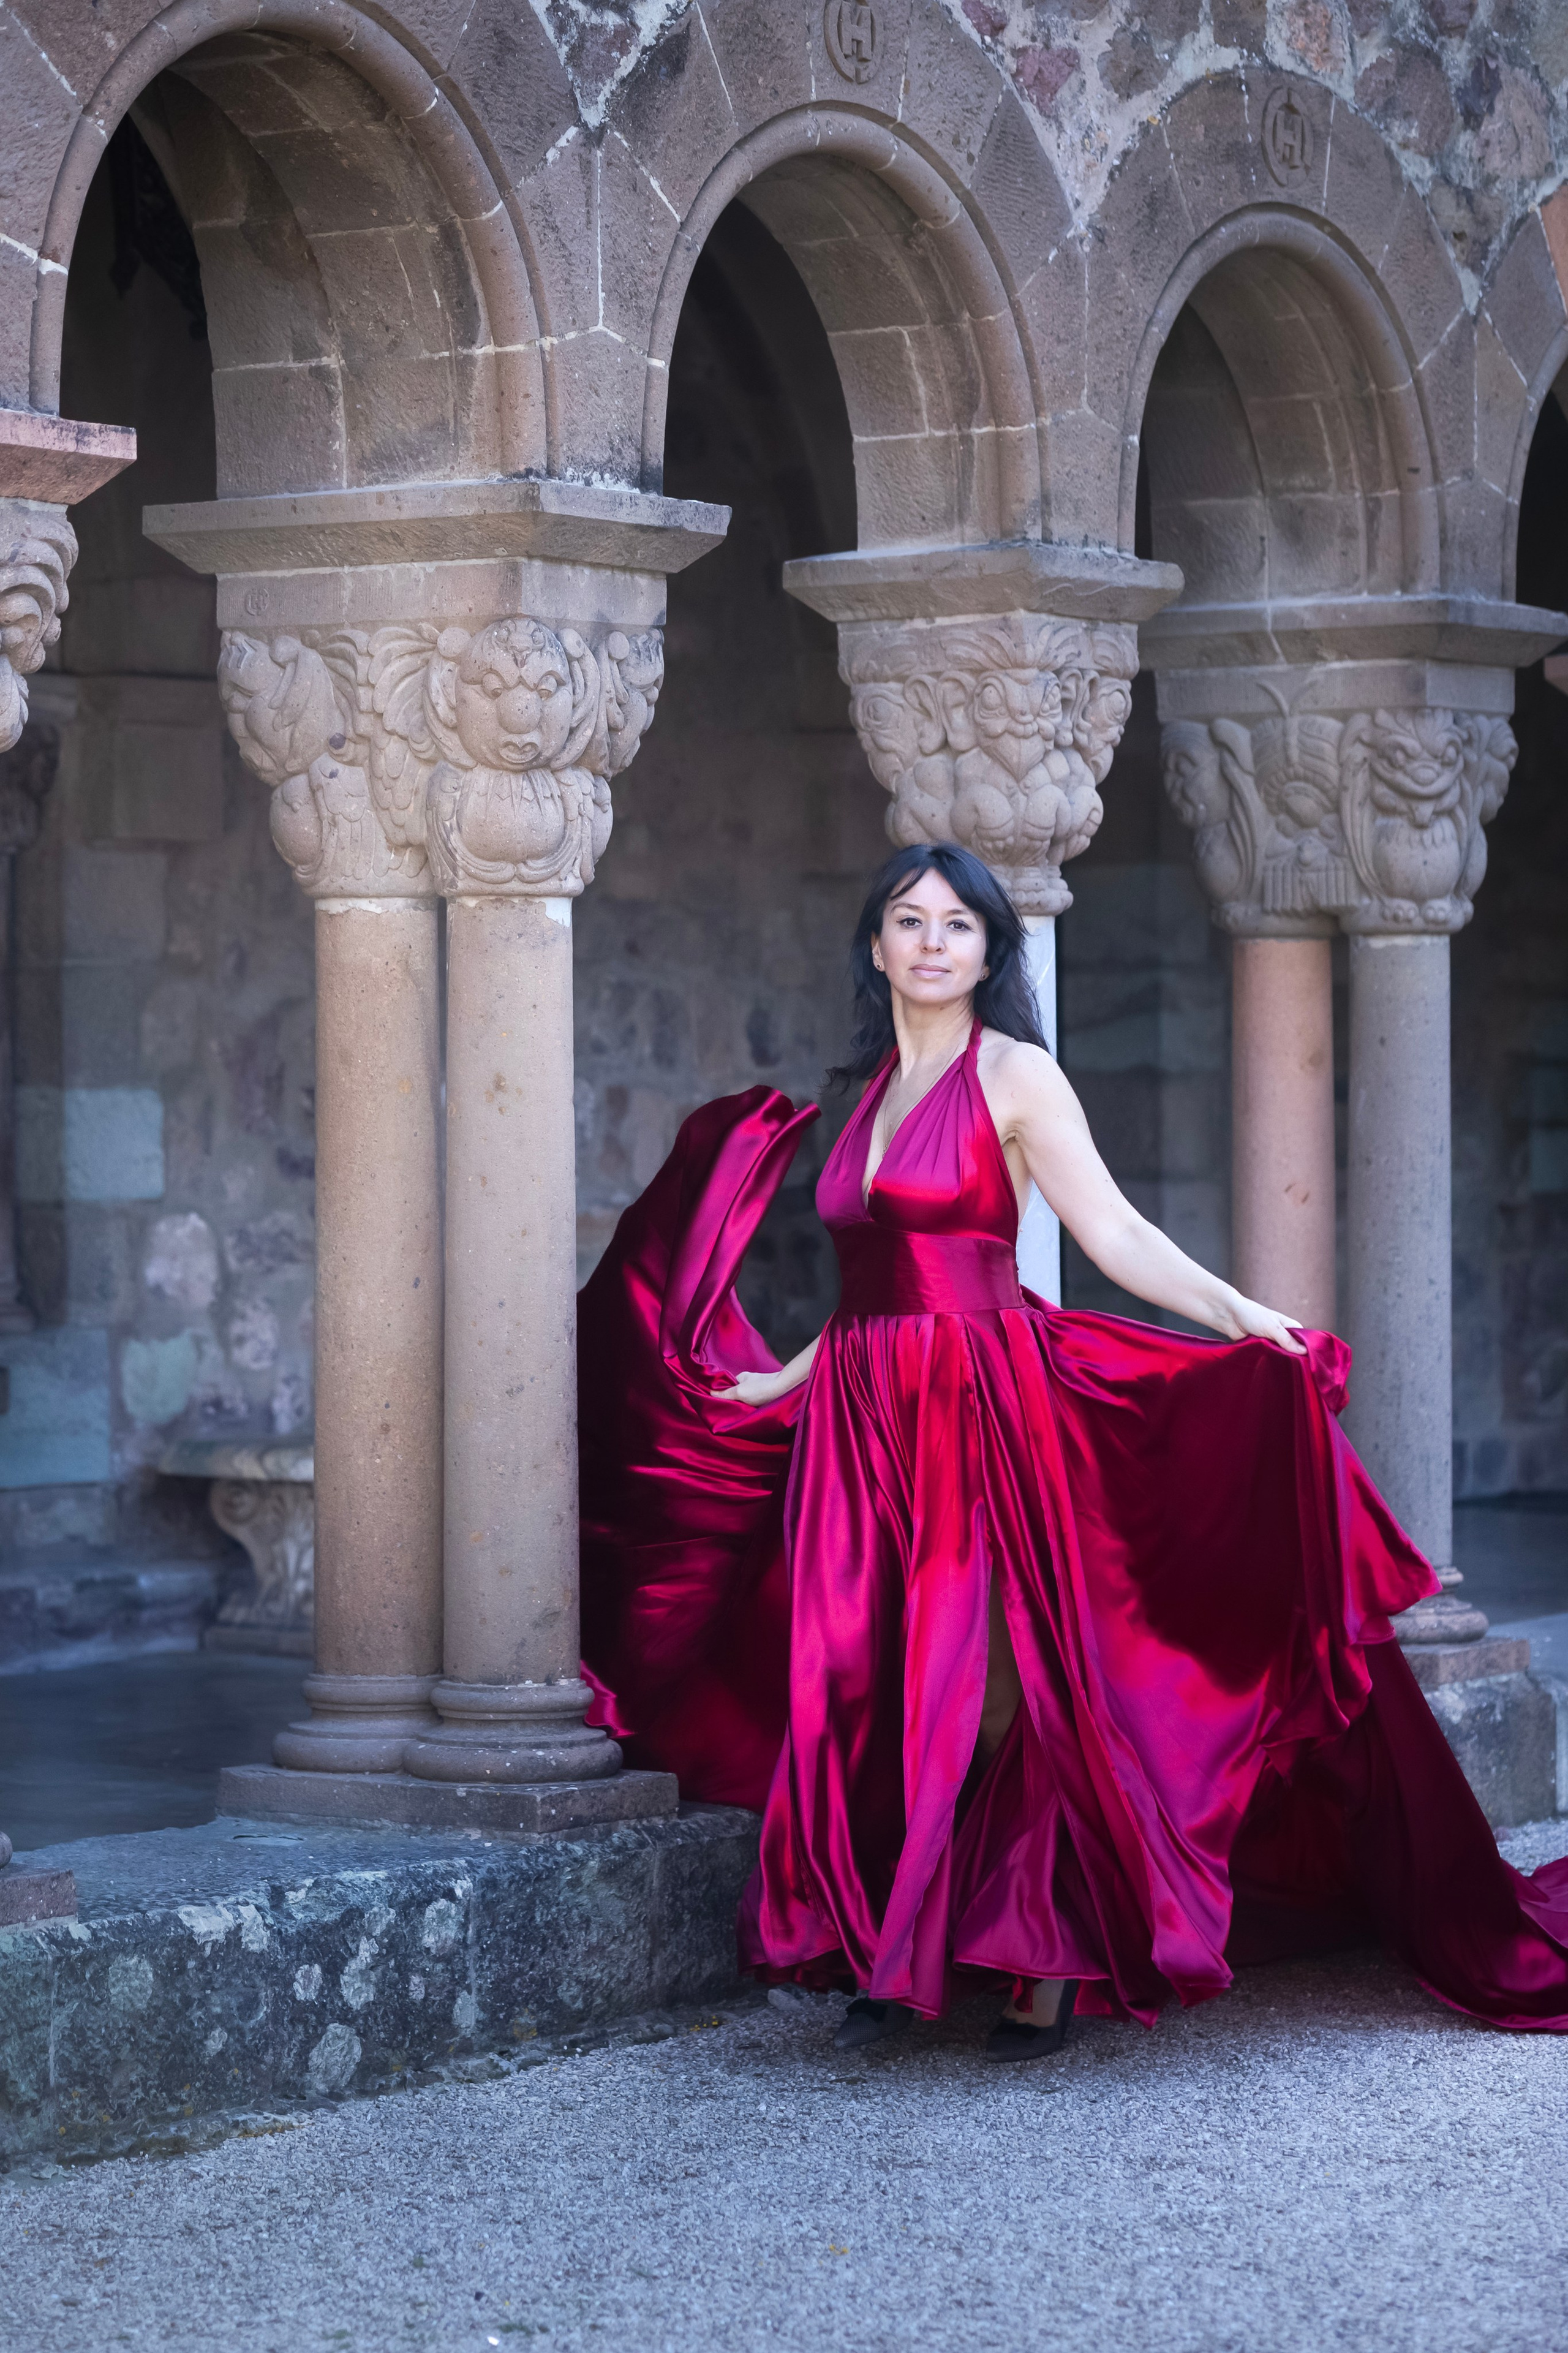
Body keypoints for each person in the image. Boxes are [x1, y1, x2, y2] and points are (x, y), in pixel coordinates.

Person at [579, 844, 1568, 2058]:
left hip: (976, 1408)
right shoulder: (870, 1087)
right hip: (862, 1412)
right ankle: (915, 1938)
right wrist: (777, 1380)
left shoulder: (1018, 1075)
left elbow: (1109, 1231)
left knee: (997, 1681)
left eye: (957, 924)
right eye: (908, 920)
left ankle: (1042, 1951)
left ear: (991, 952)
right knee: (867, 1675)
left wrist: (1235, 1313)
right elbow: (864, 1287)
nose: (932, 941)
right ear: (877, 945)